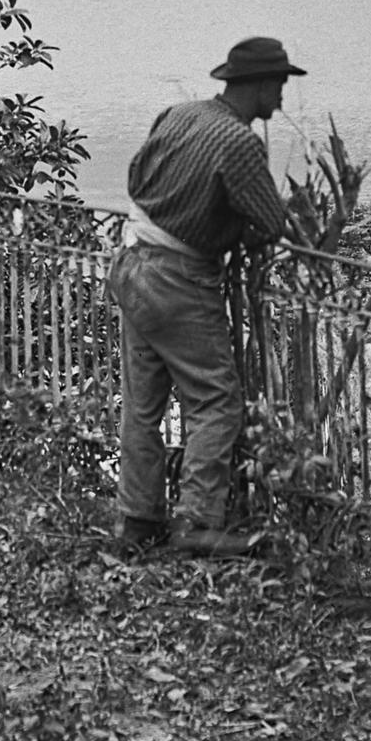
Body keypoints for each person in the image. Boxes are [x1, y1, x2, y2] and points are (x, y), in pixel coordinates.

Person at [113, 34, 298, 556]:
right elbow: (271, 221)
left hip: (131, 262)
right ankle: (196, 522)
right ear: (257, 86)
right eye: (279, 84)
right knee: (216, 402)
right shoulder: (239, 143)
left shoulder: (179, 114)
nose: (281, 98)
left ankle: (138, 521)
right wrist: (234, 231)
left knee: (142, 405)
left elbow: (135, 178)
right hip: (177, 280)